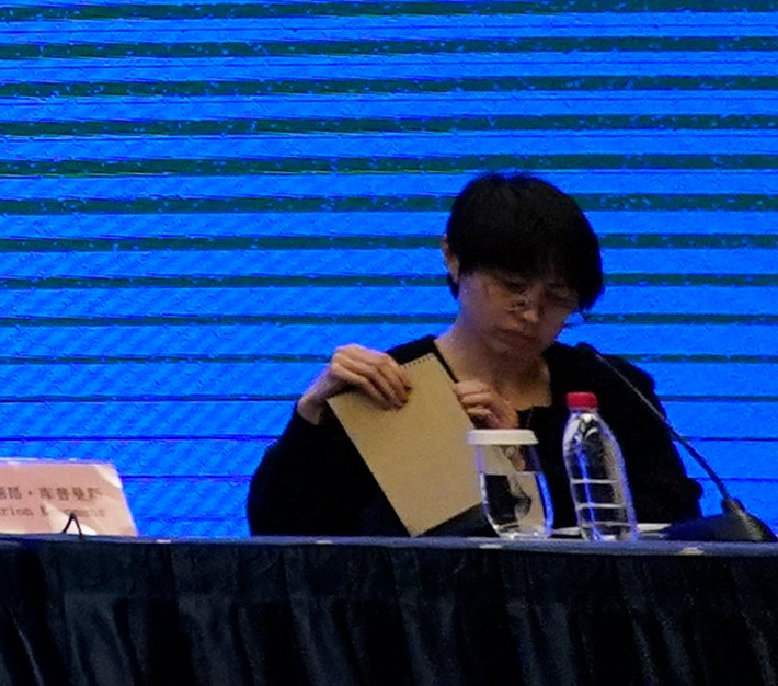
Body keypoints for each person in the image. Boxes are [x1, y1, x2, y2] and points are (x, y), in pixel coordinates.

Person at [248, 172, 714, 536]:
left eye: (557, 297)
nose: (531, 314)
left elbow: (671, 524)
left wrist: (518, 461)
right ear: (452, 258)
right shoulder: (391, 385)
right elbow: (280, 533)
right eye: (512, 287)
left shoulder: (608, 386)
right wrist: (310, 416)